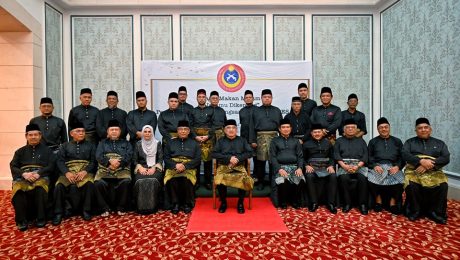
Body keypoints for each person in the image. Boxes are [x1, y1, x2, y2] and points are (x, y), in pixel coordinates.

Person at [402, 117, 450, 224]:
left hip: (434, 171)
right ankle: (415, 210)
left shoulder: (440, 143)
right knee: (411, 184)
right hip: (414, 170)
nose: (423, 130)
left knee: (443, 185)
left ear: (430, 129)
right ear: (416, 130)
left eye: (425, 127)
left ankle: (436, 212)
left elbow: (446, 157)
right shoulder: (409, 142)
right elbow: (405, 155)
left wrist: (428, 164)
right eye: (420, 128)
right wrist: (420, 161)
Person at [10, 124, 55, 231]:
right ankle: (22, 220)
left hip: (41, 176)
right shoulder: (19, 151)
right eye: (30, 135)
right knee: (18, 190)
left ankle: (40, 218)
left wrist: (39, 173)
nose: (33, 137)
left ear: (40, 136)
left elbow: (51, 165)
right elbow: (13, 165)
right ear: (26, 136)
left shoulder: (48, 151)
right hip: (23, 176)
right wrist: (23, 174)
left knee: (40, 189)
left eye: (36, 135)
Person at [53, 120, 96, 225]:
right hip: (68, 172)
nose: (81, 133)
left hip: (85, 172)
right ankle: (58, 212)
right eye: (78, 131)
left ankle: (86, 210)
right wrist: (67, 173)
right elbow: (60, 161)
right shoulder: (64, 146)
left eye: (83, 131)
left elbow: (94, 161)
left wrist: (85, 171)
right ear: (71, 133)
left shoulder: (91, 145)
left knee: (90, 184)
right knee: (59, 185)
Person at [212, 119, 254, 214]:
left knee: (244, 178)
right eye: (228, 128)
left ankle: (240, 203)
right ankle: (223, 202)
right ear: (224, 130)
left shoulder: (242, 140)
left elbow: (250, 152)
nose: (231, 130)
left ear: (236, 129)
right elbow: (214, 153)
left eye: (233, 128)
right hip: (224, 167)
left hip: (239, 167)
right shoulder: (220, 141)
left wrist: (238, 158)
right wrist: (228, 158)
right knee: (219, 179)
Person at [94, 119, 133, 216]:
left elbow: (129, 155)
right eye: (112, 130)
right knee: (98, 183)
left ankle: (121, 208)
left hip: (122, 170)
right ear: (108, 131)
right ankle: (104, 208)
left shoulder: (126, 143)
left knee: (126, 182)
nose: (114, 131)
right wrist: (109, 162)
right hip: (105, 170)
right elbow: (98, 156)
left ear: (120, 132)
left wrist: (119, 163)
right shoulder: (102, 143)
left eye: (116, 129)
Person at [367, 117, 404, 214]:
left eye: (386, 127)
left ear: (389, 128)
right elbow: (369, 156)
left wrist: (398, 166)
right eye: (381, 127)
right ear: (377, 129)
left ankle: (393, 202)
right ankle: (378, 200)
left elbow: (402, 157)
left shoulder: (397, 141)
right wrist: (375, 165)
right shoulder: (373, 142)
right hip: (378, 166)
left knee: (402, 180)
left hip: (393, 166)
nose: (383, 129)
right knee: (370, 178)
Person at [164, 120, 200, 214]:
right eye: (181, 129)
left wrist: (185, 166)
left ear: (189, 131)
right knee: (172, 180)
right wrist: (175, 165)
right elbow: (166, 158)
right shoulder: (170, 143)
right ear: (177, 131)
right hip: (173, 167)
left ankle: (187, 204)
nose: (183, 131)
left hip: (188, 168)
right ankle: (175, 203)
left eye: (185, 129)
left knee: (186, 179)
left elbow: (197, 159)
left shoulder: (194, 143)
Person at [249, 89, 283, 191]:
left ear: (272, 98)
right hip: (260, 138)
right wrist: (252, 140)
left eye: (269, 97)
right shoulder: (255, 111)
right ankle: (261, 182)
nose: (267, 99)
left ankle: (274, 181)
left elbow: (281, 126)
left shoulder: (277, 110)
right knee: (260, 162)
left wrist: (281, 140)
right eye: (265, 97)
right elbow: (251, 126)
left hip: (274, 138)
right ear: (261, 98)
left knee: (273, 161)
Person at [334, 118, 369, 215]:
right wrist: (344, 166)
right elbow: (336, 155)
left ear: (356, 130)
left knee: (362, 179)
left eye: (352, 127)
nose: (350, 129)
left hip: (359, 166)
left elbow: (365, 156)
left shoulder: (361, 141)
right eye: (348, 127)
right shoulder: (339, 141)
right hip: (344, 166)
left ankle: (362, 204)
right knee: (344, 178)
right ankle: (347, 204)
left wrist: (357, 166)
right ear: (344, 130)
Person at [269, 118, 305, 209]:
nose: (286, 129)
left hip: (294, 167)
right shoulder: (274, 141)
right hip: (281, 167)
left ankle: (294, 201)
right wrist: (279, 169)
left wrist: (300, 168)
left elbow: (300, 156)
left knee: (300, 179)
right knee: (283, 180)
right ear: (279, 129)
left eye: (288, 127)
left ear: (291, 128)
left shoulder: (296, 141)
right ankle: (283, 202)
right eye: (283, 127)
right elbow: (272, 157)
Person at [303, 123, 337, 214]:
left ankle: (331, 203)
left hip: (326, 167)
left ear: (322, 133)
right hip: (312, 167)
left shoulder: (328, 143)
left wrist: (331, 165)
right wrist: (306, 165)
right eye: (315, 132)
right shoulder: (306, 144)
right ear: (311, 133)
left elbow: (332, 157)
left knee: (333, 176)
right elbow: (302, 158)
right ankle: (314, 202)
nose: (317, 134)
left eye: (319, 132)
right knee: (309, 176)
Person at [132, 125, 164, 214]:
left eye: (149, 131)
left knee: (153, 180)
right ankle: (141, 207)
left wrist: (154, 167)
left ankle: (153, 207)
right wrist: (140, 167)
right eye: (145, 131)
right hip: (141, 168)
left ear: (152, 133)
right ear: (142, 133)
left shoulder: (158, 143)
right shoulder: (138, 144)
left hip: (155, 168)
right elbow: (134, 160)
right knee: (139, 180)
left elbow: (160, 159)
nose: (147, 133)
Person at [190, 89, 214, 190]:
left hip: (208, 138)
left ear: (206, 98)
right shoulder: (193, 111)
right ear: (196, 98)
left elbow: (214, 125)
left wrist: (208, 136)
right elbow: (190, 126)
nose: (201, 99)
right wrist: (195, 136)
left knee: (208, 161)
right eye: (199, 97)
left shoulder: (211, 110)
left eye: (203, 97)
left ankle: (208, 182)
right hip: (196, 138)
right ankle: (197, 182)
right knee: (197, 161)